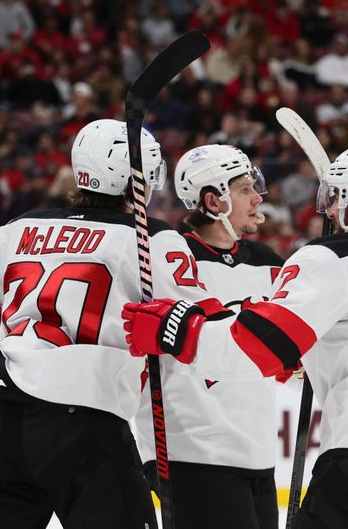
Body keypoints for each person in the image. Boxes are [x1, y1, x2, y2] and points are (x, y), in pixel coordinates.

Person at [123, 142, 348, 529]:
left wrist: (175, 330)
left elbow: (251, 349)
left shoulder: (334, 257)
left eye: (339, 198)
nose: (330, 210)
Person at [0, 119, 212, 528]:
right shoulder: (149, 240)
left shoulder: (19, 228)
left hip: (0, 423)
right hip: (89, 427)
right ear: (139, 177)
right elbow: (207, 327)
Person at [134, 144, 284, 528]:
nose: (258, 197)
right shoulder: (167, 255)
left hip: (258, 452)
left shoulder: (267, 259)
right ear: (214, 200)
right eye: (245, 189)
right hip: (194, 452)